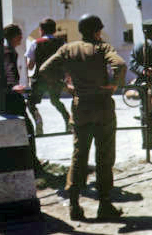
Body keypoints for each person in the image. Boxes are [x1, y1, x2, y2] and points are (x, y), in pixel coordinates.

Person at [39, 14, 126, 221]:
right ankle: (104, 205)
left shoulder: (67, 48)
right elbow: (121, 65)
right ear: (97, 31)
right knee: (104, 158)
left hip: (81, 108)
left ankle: (75, 205)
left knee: (79, 156)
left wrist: (64, 86)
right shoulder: (103, 48)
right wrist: (114, 84)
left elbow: (44, 69)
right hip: (103, 107)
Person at [0, 24, 43, 174]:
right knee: (27, 129)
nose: (22, 38)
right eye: (20, 35)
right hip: (12, 97)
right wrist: (11, 86)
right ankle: (33, 166)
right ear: (14, 36)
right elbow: (10, 70)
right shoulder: (9, 51)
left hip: (5, 96)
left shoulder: (2, 49)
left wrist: (0, 83)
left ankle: (27, 163)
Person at [25, 18, 70, 135]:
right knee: (55, 101)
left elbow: (30, 66)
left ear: (41, 30)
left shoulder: (36, 43)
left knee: (31, 103)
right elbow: (67, 62)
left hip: (40, 80)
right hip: (56, 79)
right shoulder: (62, 43)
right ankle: (68, 120)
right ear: (55, 30)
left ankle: (38, 120)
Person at [129, 20, 152, 149]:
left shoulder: (138, 46)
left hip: (141, 83)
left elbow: (132, 64)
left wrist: (142, 71)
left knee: (145, 112)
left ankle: (147, 141)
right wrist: (149, 71)